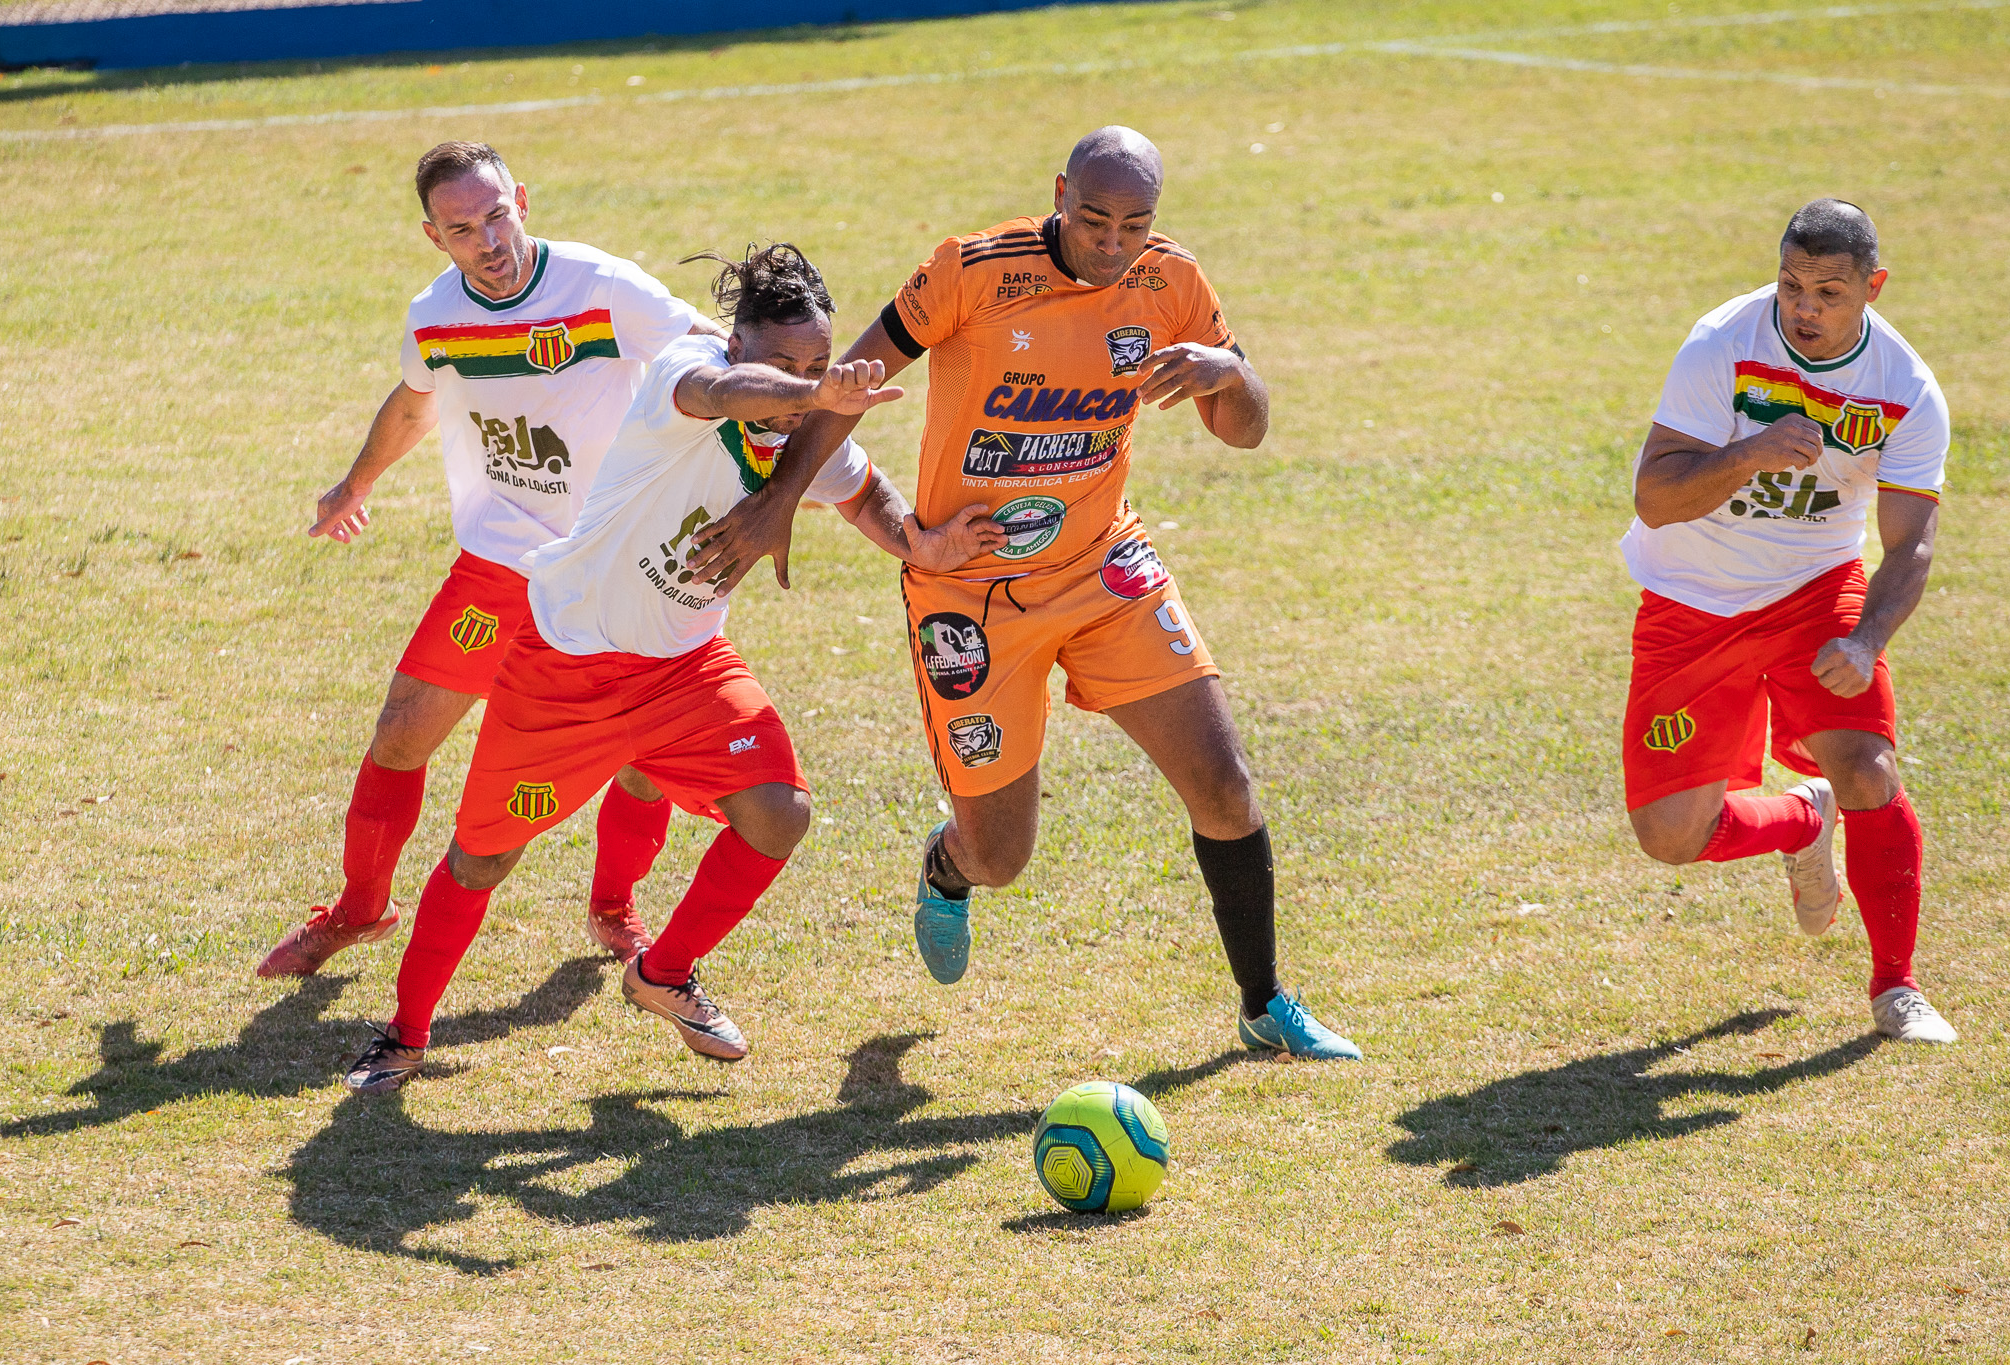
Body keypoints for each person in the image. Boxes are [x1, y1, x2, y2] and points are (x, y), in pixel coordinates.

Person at [679, 127, 1361, 1061]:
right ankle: (947, 865)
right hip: (970, 593)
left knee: (1227, 789)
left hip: (1105, 569)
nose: (1112, 242)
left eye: (1133, 224)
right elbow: (851, 387)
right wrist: (773, 504)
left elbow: (1243, 430)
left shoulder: (1173, 283)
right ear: (1058, 194)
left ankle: (1264, 1002)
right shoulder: (971, 270)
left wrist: (1230, 372)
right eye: (1093, 219)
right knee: (1002, 857)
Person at [343, 244, 1004, 1093]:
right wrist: (814, 393)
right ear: (736, 344)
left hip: (683, 669)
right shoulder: (686, 376)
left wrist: (925, 541)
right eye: (782, 362)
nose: (802, 380)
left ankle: (663, 972)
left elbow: (860, 488)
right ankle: (403, 1034)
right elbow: (723, 394)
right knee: (482, 860)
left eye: (816, 361)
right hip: (566, 665)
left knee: (780, 815)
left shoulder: (807, 427)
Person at [258, 141, 726, 979]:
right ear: (435, 237)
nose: (489, 241)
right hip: (502, 564)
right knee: (401, 736)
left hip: (613, 566)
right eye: (464, 227)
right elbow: (415, 400)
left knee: (644, 759)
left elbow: (712, 350)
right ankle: (360, 910)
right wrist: (354, 482)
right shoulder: (435, 313)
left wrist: (797, 402)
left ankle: (615, 908)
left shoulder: (602, 286)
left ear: (524, 201)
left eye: (497, 214)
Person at [1621, 199, 1955, 1044]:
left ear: (1872, 288)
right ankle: (1804, 818)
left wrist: (1867, 638)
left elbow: (1911, 544)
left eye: (1828, 292)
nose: (1803, 308)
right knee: (1669, 835)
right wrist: (1750, 453)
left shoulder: (1906, 389)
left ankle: (1897, 987)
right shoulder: (1724, 342)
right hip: (1691, 597)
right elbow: (1656, 500)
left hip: (1816, 589)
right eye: (1791, 284)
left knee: (1869, 766)